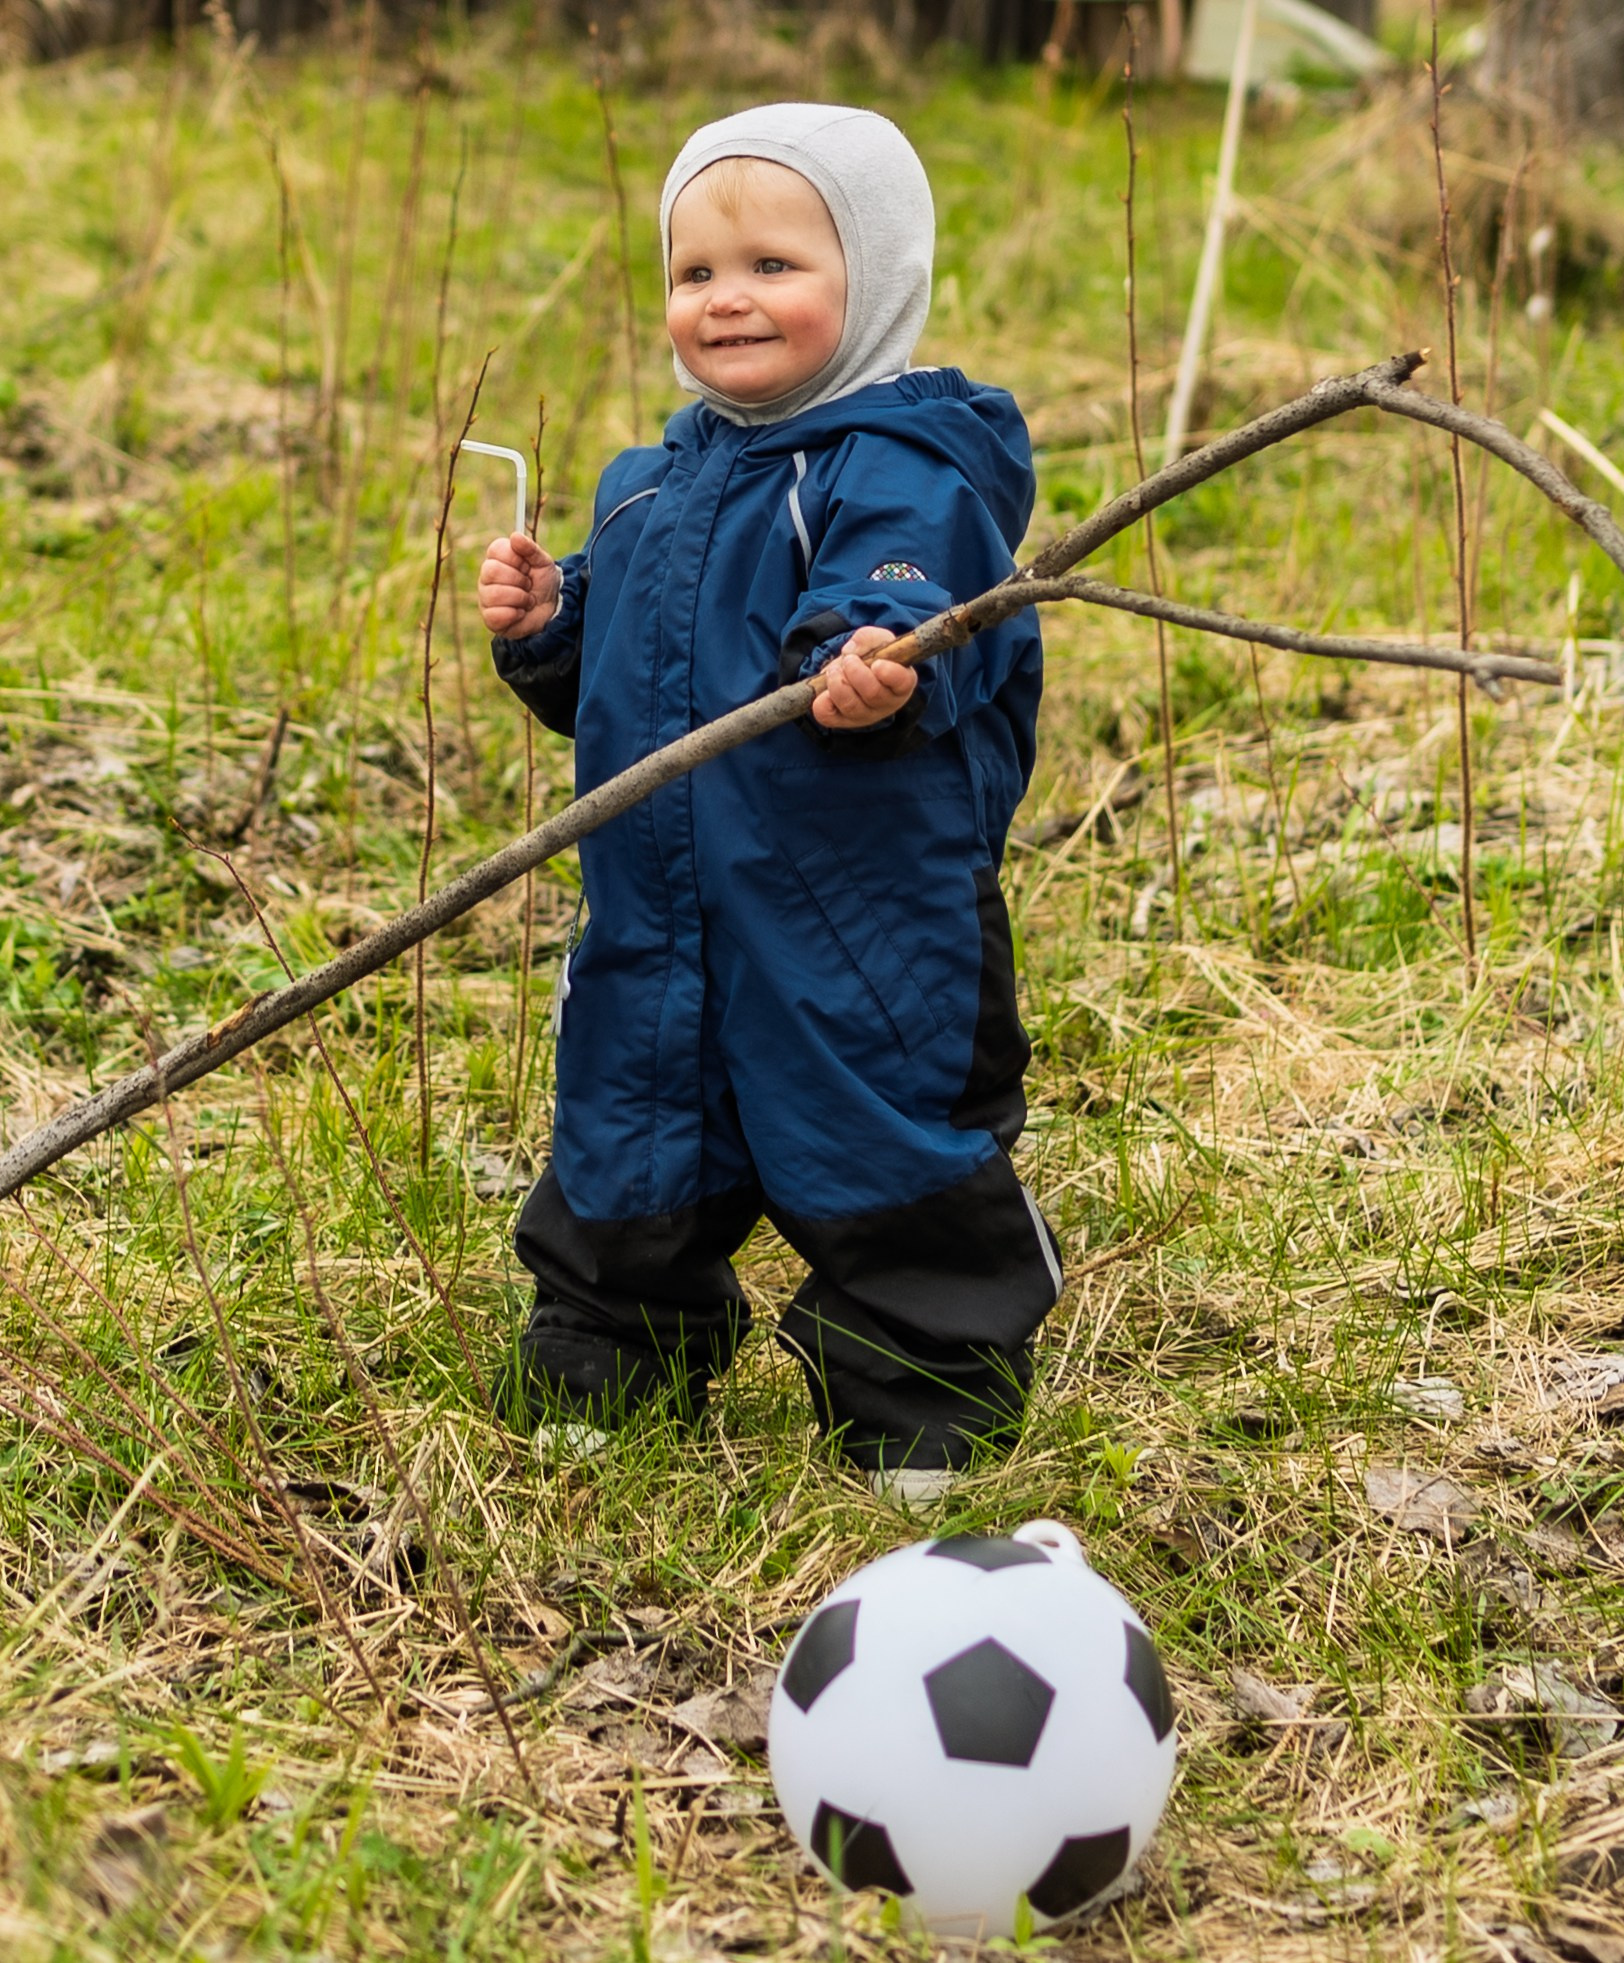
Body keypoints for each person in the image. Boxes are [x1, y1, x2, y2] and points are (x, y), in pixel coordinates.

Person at [474, 102, 1058, 1508]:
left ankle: (924, 1402)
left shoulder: (910, 467)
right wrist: (555, 627)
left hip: (859, 904)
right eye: (696, 273)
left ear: (877, 279)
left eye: (777, 266)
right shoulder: (648, 484)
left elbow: (909, 600)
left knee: (884, 1127)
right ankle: (614, 1359)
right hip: (662, 897)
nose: (728, 298)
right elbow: (623, 701)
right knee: (633, 1120)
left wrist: (876, 662)